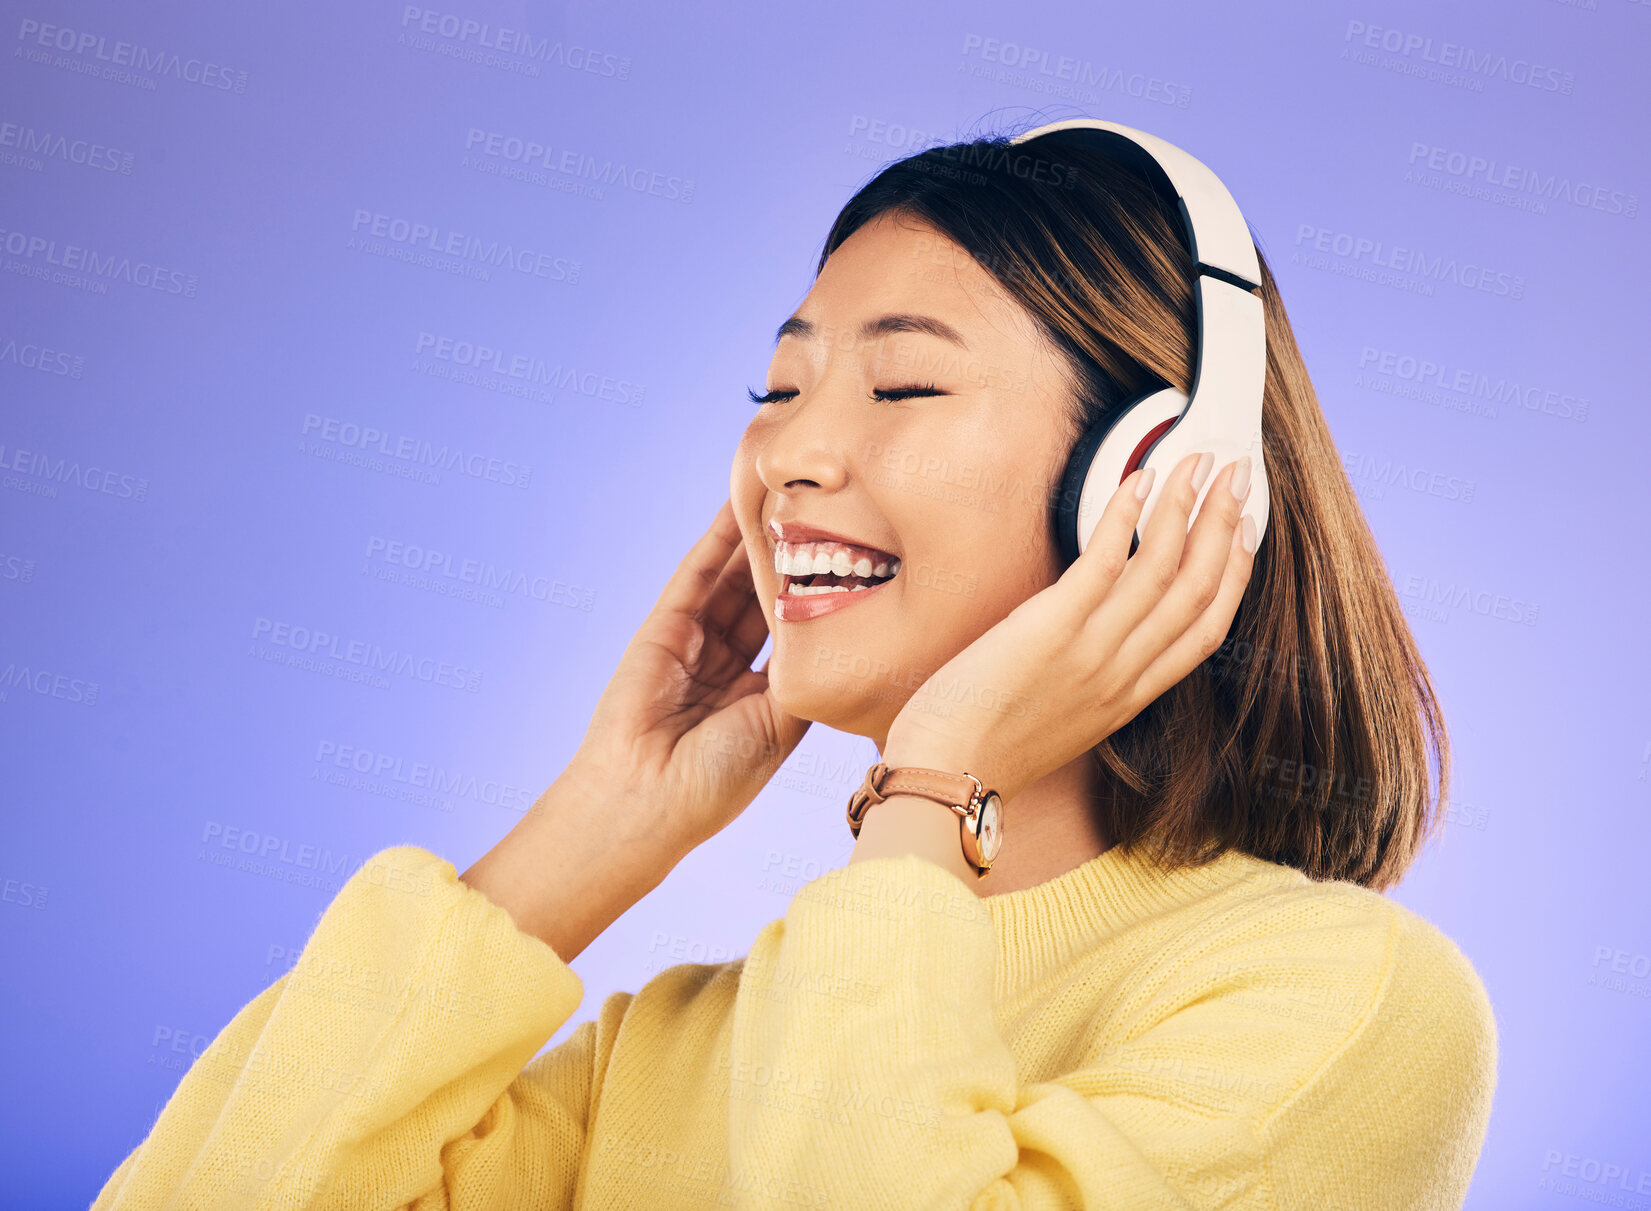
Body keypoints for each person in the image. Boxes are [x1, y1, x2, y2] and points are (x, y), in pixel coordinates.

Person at [94, 126, 1496, 1210]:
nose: (789, 458)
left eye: (902, 386)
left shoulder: (1347, 1003)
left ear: (1153, 479)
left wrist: (931, 783)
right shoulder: (680, 1049)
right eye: (778, 390)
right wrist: (594, 830)